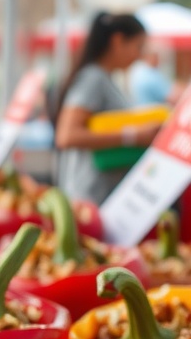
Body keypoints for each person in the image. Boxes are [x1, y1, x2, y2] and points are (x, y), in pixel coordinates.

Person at [55, 12, 162, 205]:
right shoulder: (93, 78)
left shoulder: (105, 78)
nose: (139, 55)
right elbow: (67, 135)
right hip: (87, 198)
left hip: (98, 196)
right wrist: (135, 136)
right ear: (118, 40)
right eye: (138, 46)